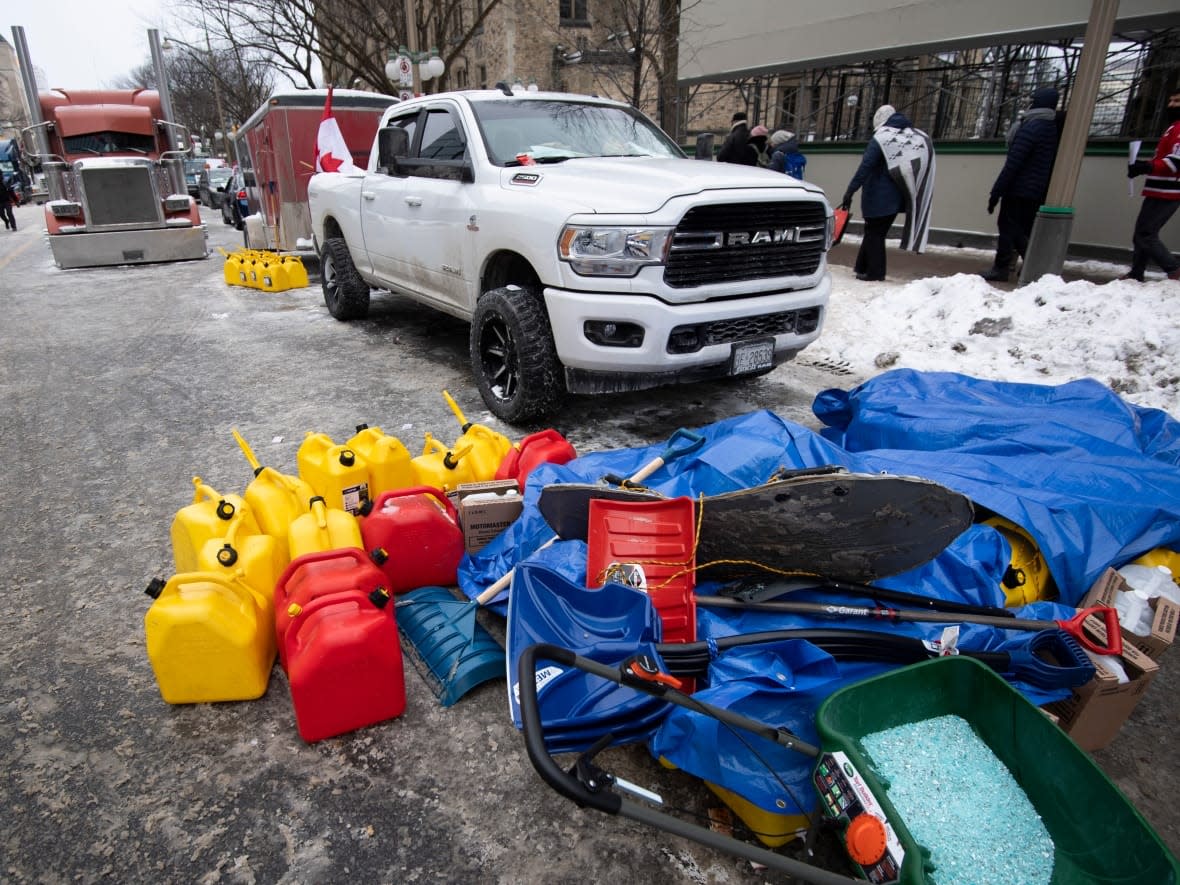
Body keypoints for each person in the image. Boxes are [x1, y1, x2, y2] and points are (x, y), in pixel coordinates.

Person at [840, 104, 936, 281]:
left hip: (878, 196)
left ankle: (875, 272)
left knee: (874, 233)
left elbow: (865, 167)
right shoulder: (910, 137)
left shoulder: (882, 138)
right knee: (875, 232)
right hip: (897, 198)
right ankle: (862, 266)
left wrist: (850, 191)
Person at [980, 86, 1062, 282]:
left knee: (1009, 229)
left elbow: (1013, 163)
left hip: (1019, 189)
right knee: (1023, 230)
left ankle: (1005, 267)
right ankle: (1032, 267)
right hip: (1036, 190)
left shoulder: (1031, 127)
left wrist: (996, 192)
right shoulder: (1051, 127)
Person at [1124, 87, 1180, 282]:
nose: (1171, 105)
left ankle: (1173, 269)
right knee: (1142, 232)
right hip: (1161, 188)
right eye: (1171, 100)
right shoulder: (1173, 127)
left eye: (1177, 101)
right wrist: (1145, 166)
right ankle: (1136, 272)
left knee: (1145, 233)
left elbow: (1176, 161)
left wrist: (1145, 167)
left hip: (1168, 190)